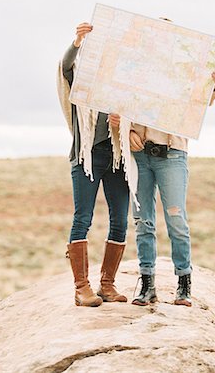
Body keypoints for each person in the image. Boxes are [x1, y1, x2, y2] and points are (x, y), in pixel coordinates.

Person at [128, 60, 215, 306]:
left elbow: (201, 103)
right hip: (139, 155)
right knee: (142, 221)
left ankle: (184, 283)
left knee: (176, 221)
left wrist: (214, 87)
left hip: (172, 155)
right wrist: (127, 132)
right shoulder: (136, 74)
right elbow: (121, 107)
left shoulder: (187, 75)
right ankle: (147, 283)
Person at [57, 23, 130, 307]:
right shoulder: (81, 82)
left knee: (120, 221)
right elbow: (66, 66)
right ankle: (81, 287)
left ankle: (107, 285)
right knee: (82, 218)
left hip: (116, 158)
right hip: (86, 157)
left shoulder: (121, 87)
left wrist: (121, 124)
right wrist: (77, 40)